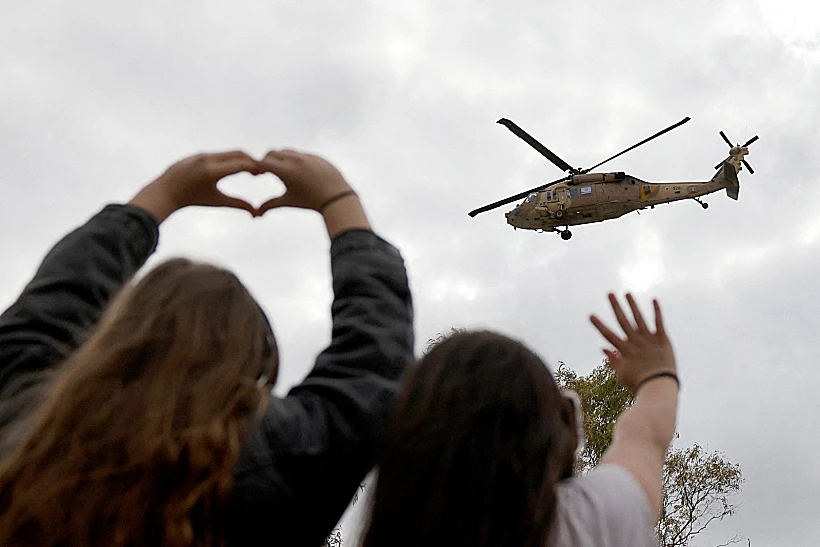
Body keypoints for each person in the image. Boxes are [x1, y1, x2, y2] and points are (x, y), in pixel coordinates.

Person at [0, 149, 414, 546]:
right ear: (256, 360)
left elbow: (53, 305)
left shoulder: (24, 412)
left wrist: (163, 195)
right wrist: (338, 201)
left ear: (116, 332)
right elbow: (373, 360)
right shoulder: (294, 454)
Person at [361, 294, 678, 547]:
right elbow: (645, 438)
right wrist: (657, 373)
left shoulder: (395, 529)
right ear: (562, 435)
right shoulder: (593, 521)